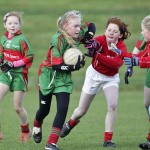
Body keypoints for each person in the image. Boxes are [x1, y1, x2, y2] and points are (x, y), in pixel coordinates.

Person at [60, 16, 131, 148]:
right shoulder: (100, 40)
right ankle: (70, 123)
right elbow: (94, 44)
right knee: (81, 110)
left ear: (120, 35)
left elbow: (116, 63)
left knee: (113, 106)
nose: (111, 33)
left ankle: (108, 139)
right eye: (109, 30)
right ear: (105, 31)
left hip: (110, 78)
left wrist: (97, 55)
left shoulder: (121, 46)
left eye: (115, 31)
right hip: (94, 76)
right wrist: (91, 45)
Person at [32, 10, 96, 150]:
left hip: (63, 78)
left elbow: (91, 25)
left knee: (62, 108)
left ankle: (51, 143)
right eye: (75, 26)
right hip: (49, 75)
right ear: (65, 26)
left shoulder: (77, 34)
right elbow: (56, 65)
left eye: (79, 26)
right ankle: (37, 124)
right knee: (44, 110)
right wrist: (74, 66)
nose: (79, 29)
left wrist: (89, 35)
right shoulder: (58, 39)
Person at [109, 15, 150, 150]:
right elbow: (139, 55)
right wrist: (124, 56)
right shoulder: (147, 41)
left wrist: (137, 62)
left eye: (143, 30)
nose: (142, 33)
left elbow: (141, 60)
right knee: (147, 104)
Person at [0, 11, 34, 142]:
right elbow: (1, 55)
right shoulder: (3, 39)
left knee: (17, 108)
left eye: (15, 23)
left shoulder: (22, 39)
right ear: (5, 25)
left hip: (19, 75)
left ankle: (26, 131)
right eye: (10, 23)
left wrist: (13, 64)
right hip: (5, 75)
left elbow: (29, 56)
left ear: (20, 25)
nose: (13, 25)